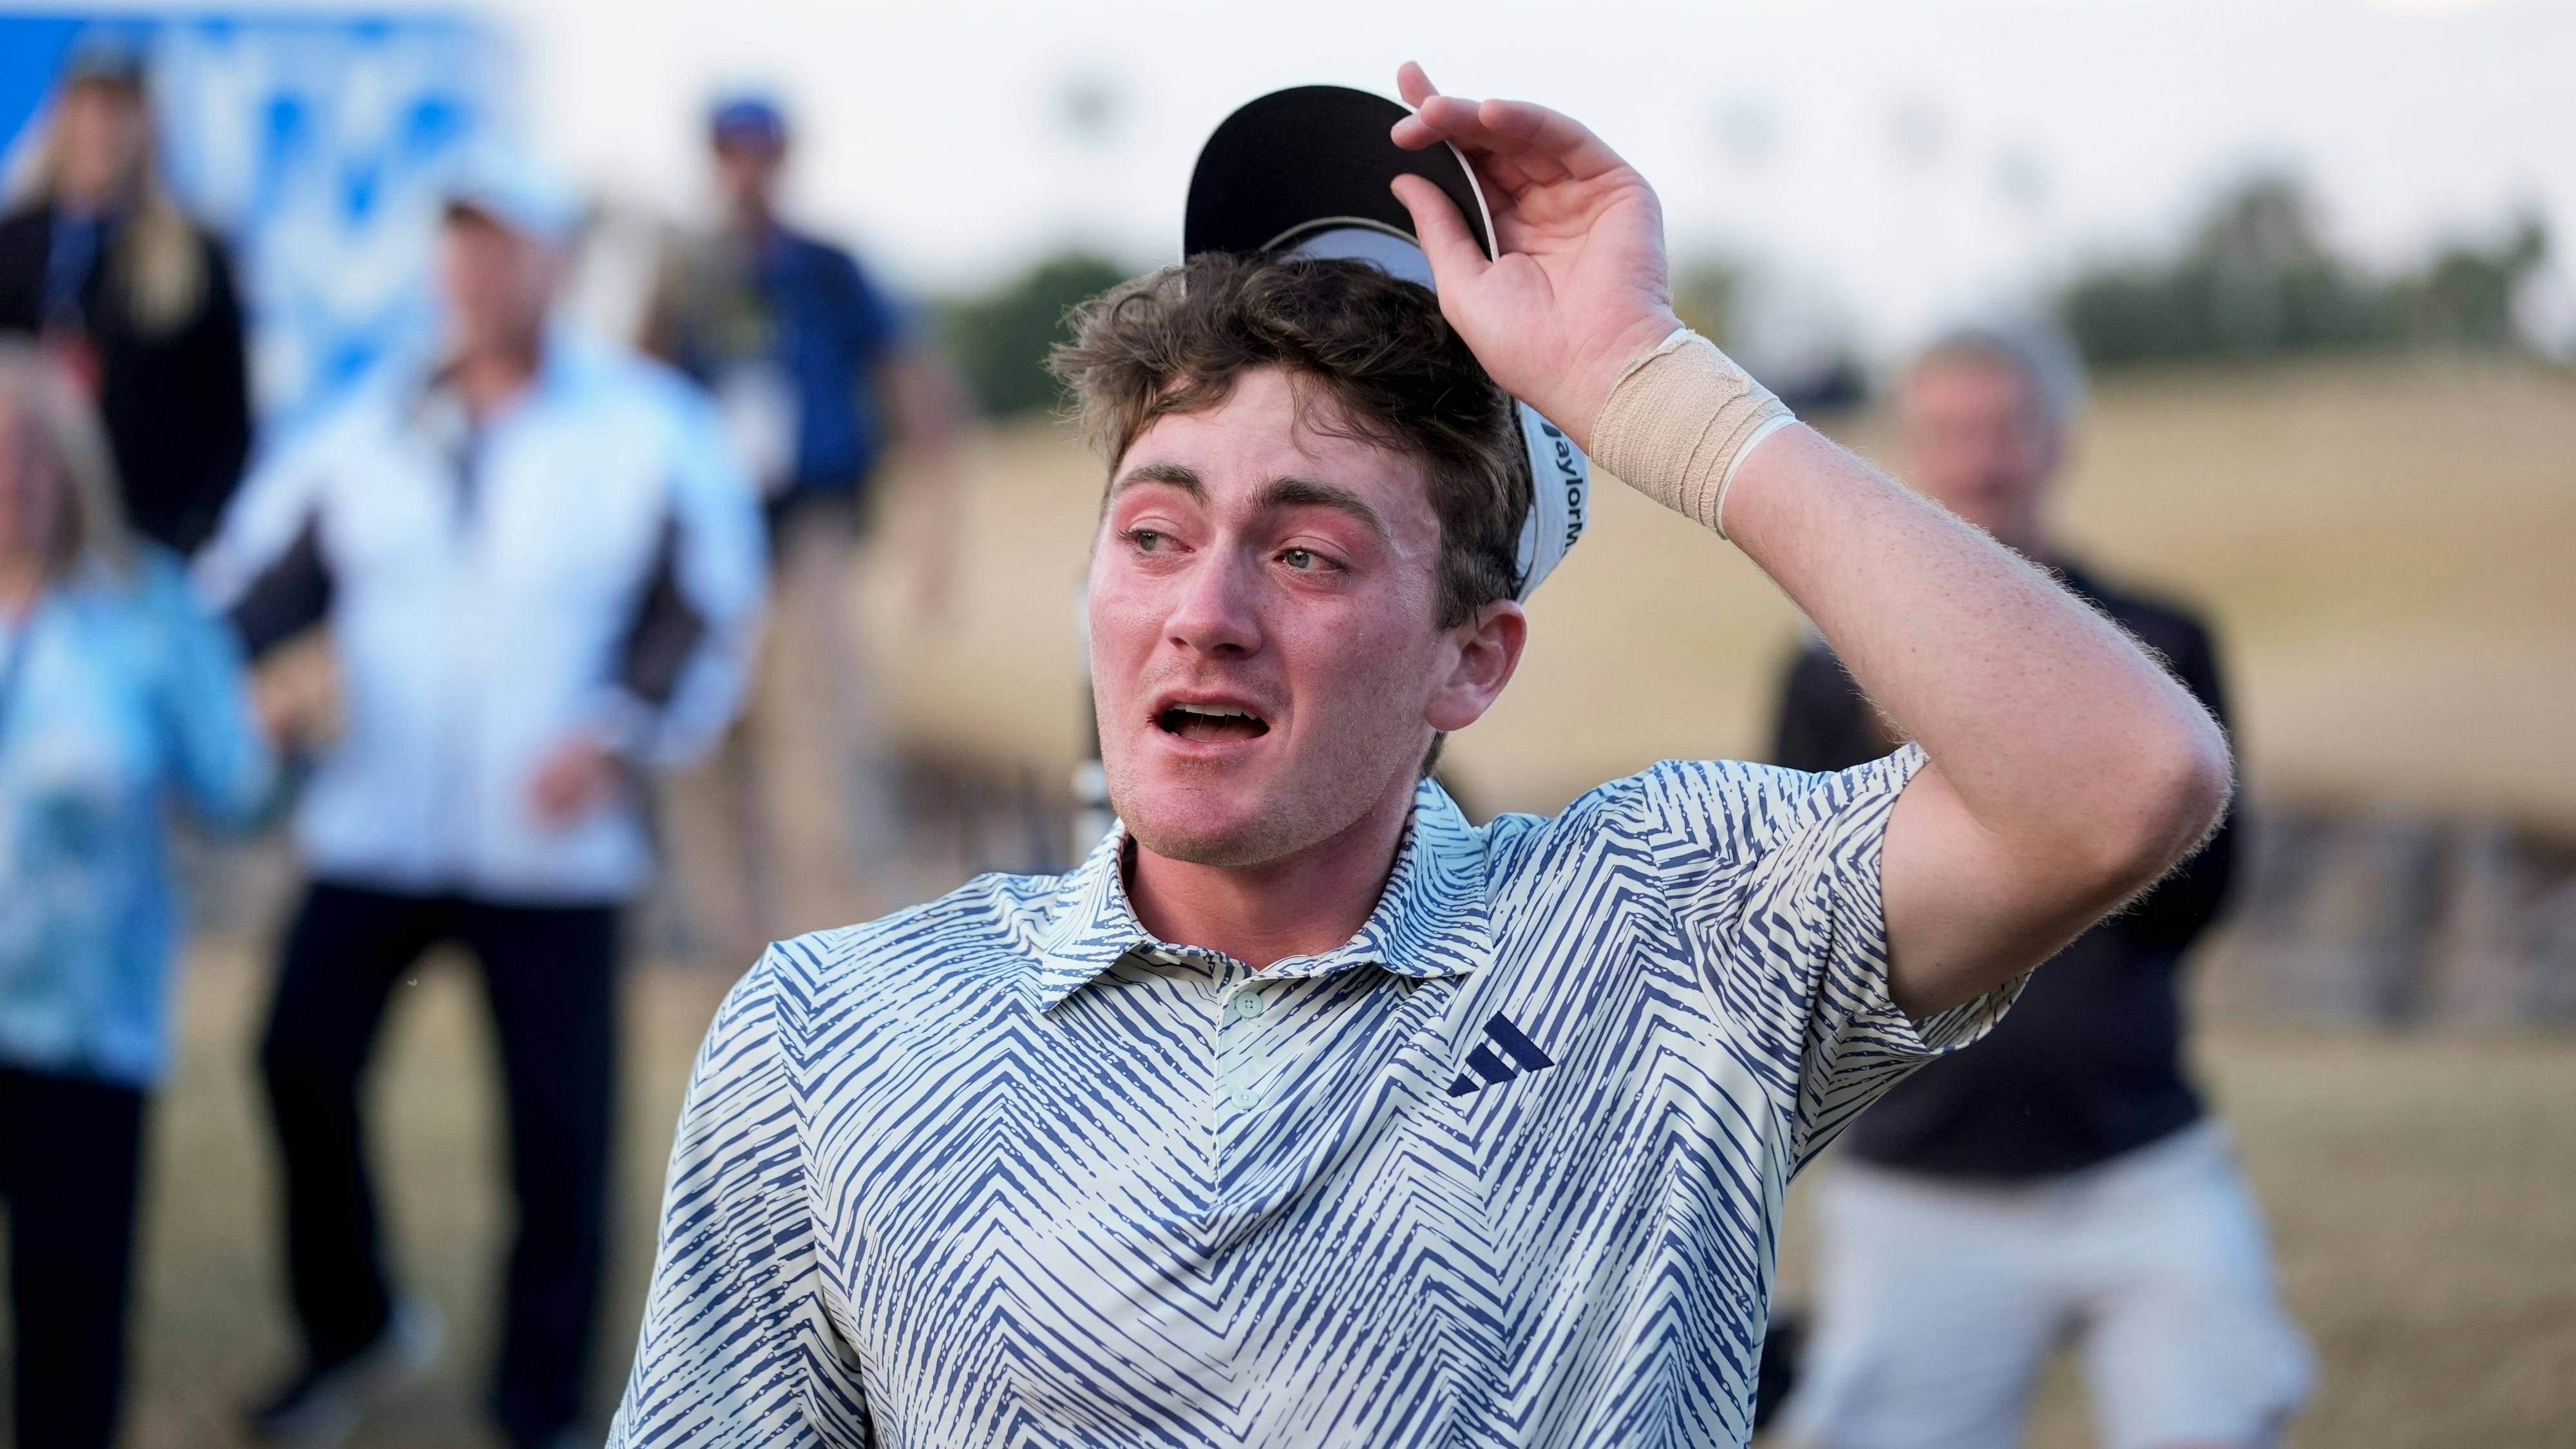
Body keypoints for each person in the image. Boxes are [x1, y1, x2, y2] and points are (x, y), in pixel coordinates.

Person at [608, 66, 2233, 1448]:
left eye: (1309, 555)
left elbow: (2119, 776)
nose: (1206, 613)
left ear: (1473, 659)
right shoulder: (825, 1036)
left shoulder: (1664, 937)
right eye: (1156, 530)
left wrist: (1642, 385)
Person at [193, 148, 766, 1449]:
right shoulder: (362, 425)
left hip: (555, 848)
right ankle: (354, 1326)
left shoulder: (643, 426)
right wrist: (224, 691)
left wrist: (618, 734)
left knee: (557, 1146)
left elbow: (710, 604)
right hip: (373, 827)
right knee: (294, 1058)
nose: (473, 270)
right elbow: (246, 588)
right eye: (455, 244)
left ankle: (541, 1409)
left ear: (553, 264)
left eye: (502, 243)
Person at [1773, 326, 2312, 1449]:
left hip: (2143, 1155)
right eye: (1951, 433)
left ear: (2056, 442)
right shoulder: (1828, 673)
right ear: (1911, 451)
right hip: (1919, 1177)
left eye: (2005, 429)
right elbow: (1807, 924)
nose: (1980, 462)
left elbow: (2200, 893)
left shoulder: (2160, 643)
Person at [0, 345, 272, 1449]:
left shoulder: (148, 610)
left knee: (70, 1326)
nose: (10, 479)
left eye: (30, 455)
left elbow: (238, 789)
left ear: (73, 467)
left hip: (83, 1028)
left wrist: (286, 730)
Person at [643, 93, 965, 959]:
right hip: (708, 547)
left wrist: (933, 546)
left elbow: (916, 395)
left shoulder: (828, 270)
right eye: (731, 152)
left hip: (811, 534)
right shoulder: (684, 273)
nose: (747, 169)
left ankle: (845, 968)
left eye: (762, 151)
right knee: (702, 754)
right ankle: (738, 974)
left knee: (823, 758)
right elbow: (636, 399)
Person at [0, 35, 254, 557]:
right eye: (89, 109)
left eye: (118, 112)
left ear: (146, 126)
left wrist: (187, 534)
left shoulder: (192, 259)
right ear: (62, 119)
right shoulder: (15, 246)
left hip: (140, 542)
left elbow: (229, 421)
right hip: (25, 544)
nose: (102, 130)